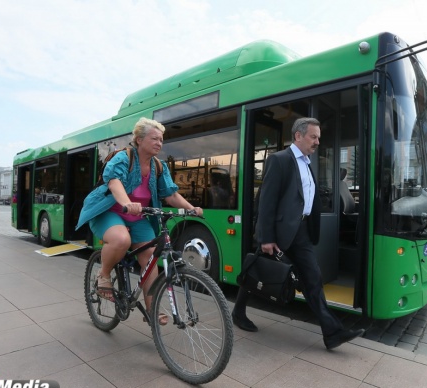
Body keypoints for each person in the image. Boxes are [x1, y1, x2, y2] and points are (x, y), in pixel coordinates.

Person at [232, 117, 365, 350]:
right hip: (281, 231)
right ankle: (238, 312)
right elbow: (267, 201)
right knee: (257, 270)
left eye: (319, 138)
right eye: (313, 137)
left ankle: (332, 333)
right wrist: (266, 237)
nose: (317, 142)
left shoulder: (307, 162)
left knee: (312, 278)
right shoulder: (280, 160)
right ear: (298, 136)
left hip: (301, 232)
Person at [76, 117, 203, 324]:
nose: (159, 143)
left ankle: (152, 309)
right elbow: (114, 182)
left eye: (161, 140)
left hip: (137, 217)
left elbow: (170, 195)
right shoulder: (124, 158)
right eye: (154, 138)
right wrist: (128, 203)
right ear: (139, 139)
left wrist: (191, 208)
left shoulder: (159, 166)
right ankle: (104, 274)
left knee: (150, 257)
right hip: (109, 211)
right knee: (121, 240)